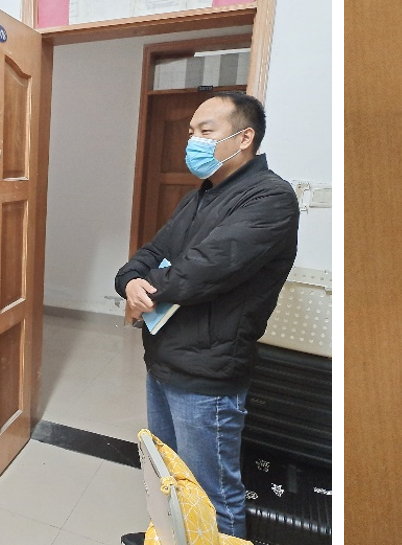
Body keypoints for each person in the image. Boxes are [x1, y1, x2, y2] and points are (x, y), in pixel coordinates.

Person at [115, 91, 299, 538]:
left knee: (212, 494)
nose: (193, 141)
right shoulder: (199, 197)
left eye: (205, 131)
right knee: (170, 479)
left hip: (207, 373)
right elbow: (153, 252)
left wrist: (145, 285)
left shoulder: (270, 198)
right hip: (164, 359)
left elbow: (199, 271)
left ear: (244, 137)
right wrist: (129, 281)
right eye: (191, 131)